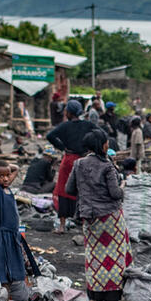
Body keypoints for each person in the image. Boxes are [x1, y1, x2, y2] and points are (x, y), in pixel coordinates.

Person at [66, 128, 131, 301]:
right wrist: (123, 185)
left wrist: (87, 192)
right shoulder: (107, 166)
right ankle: (112, 294)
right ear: (102, 145)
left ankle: (95, 293)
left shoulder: (79, 164)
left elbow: (69, 189)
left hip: (89, 217)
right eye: (106, 142)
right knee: (114, 256)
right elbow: (115, 194)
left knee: (94, 255)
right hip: (110, 217)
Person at [0, 161, 30, 300]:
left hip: (11, 237)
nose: (6, 179)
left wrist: (3, 166)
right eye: (1, 176)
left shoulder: (8, 189)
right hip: (0, 239)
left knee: (11, 275)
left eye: (7, 175)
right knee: (2, 276)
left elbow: (17, 168)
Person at [47, 98, 96, 234]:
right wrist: (90, 148)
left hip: (68, 160)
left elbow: (50, 136)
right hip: (83, 159)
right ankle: (85, 223)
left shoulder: (64, 126)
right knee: (84, 189)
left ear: (69, 112)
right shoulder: (88, 125)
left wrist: (62, 147)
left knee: (63, 190)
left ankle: (62, 225)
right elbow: (101, 135)